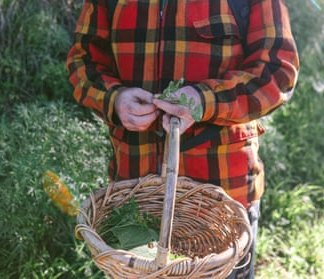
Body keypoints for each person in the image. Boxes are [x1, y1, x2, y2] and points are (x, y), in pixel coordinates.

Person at [67, 0, 299, 277]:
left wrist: (203, 101)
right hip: (134, 195)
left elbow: (277, 72)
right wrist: (114, 99)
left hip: (221, 205)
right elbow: (84, 62)